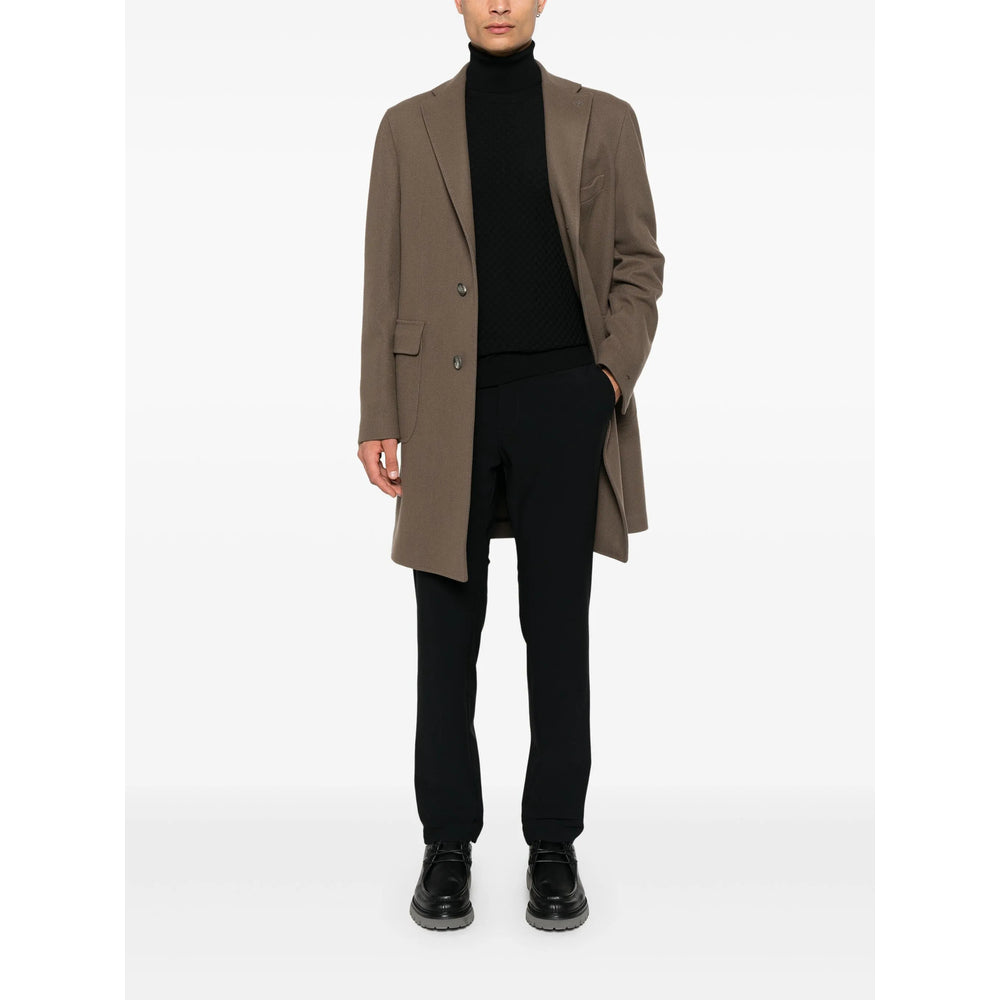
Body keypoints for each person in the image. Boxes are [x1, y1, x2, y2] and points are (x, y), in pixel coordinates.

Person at [356, 0, 664, 932]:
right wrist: (379, 413)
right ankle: (447, 846)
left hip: (564, 409)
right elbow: (383, 276)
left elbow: (638, 265)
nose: (499, 3)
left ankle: (553, 847)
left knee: (557, 637)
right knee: (446, 641)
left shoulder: (603, 119)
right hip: (444, 413)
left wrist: (605, 381)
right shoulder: (406, 128)